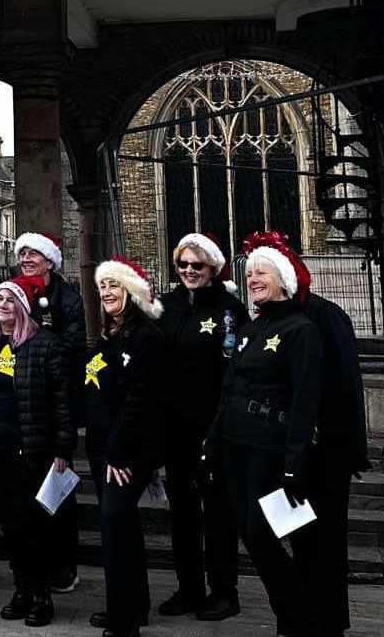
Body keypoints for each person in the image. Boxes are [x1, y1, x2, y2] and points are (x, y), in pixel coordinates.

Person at [253, 231, 368, 637]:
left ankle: (329, 623)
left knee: (326, 543)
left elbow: (345, 387)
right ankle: (306, 617)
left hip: (326, 451)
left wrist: (350, 448)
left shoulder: (323, 316)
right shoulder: (272, 320)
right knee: (299, 538)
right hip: (291, 450)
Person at [208, 235, 323, 637]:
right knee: (250, 535)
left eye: (263, 272)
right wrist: (213, 439)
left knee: (262, 533)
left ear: (284, 280)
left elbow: (305, 399)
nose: (253, 278)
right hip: (236, 443)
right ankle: (291, 617)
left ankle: (299, 617)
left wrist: (295, 462)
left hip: (269, 448)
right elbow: (230, 387)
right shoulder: (251, 328)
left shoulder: (300, 330)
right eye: (250, 272)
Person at [0, 274, 73, 627]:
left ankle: (41, 593)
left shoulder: (45, 345)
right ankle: (22, 587)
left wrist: (63, 446)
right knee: (11, 525)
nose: (3, 306)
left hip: (33, 450)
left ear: (22, 308)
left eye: (10, 300)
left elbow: (61, 400)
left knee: (34, 525)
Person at [155, 232, 247, 621]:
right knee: (183, 511)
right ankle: (189, 587)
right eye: (183, 265)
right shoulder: (167, 305)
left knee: (219, 512)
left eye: (197, 265)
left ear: (212, 268)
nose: (189, 271)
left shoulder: (229, 309)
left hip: (214, 426)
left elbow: (234, 370)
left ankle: (224, 590)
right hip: (175, 427)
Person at [82, 258, 167, 637]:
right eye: (103, 288)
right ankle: (134, 604)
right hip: (103, 447)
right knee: (122, 526)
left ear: (131, 291)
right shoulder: (109, 335)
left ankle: (125, 619)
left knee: (116, 524)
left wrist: (119, 451)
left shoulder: (146, 336)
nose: (107, 293)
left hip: (126, 451)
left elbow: (141, 399)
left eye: (114, 286)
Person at [14, 230, 86, 594]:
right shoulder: (14, 291)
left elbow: (73, 348)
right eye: (22, 253)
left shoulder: (67, 298)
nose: (26, 258)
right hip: (22, 406)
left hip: (54, 402)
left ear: (49, 260)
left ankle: (64, 564)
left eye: (33, 254)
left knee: (57, 490)